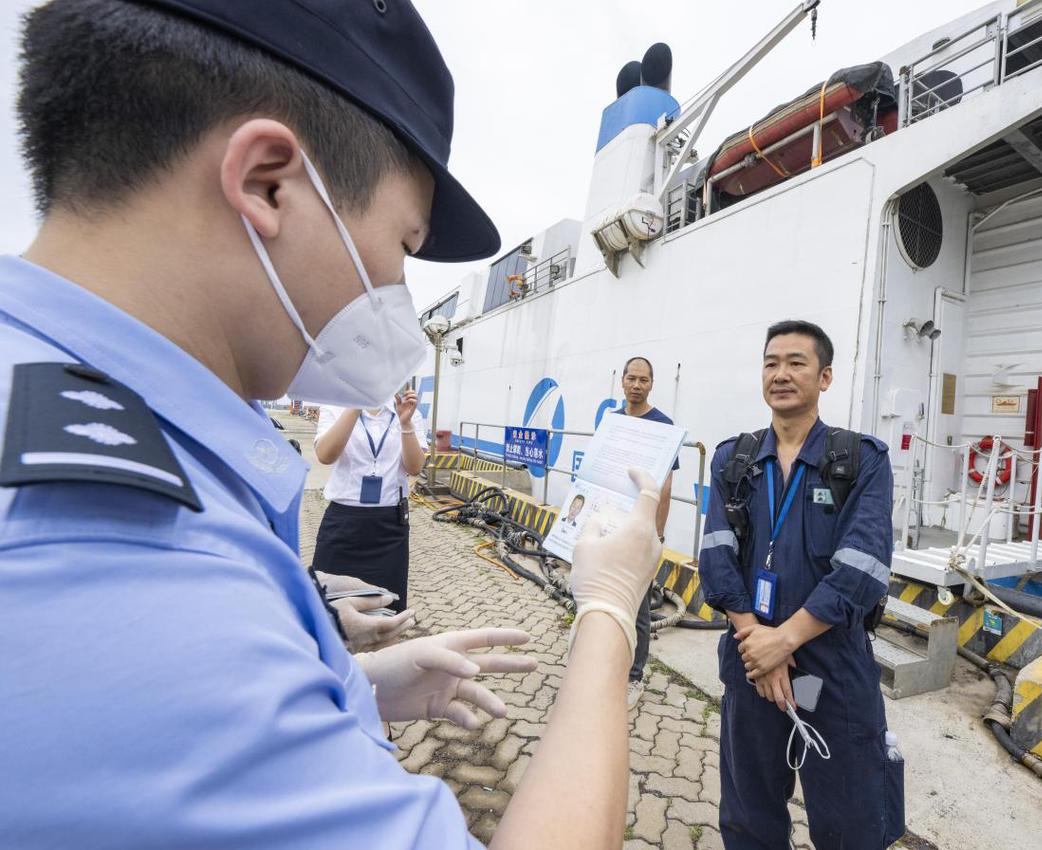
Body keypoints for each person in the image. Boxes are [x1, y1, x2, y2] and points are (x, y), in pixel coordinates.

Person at [0, 2, 663, 848]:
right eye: (400, 242)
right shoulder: (106, 554)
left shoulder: (70, 405)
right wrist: (608, 608)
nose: (394, 294)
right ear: (266, 183)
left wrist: (345, 683)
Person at [698, 321, 903, 850]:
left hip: (832, 667)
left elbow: (863, 569)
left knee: (852, 823)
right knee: (748, 819)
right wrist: (758, 645)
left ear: (825, 377)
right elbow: (717, 557)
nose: (781, 374)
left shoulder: (861, 461)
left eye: (796, 363)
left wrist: (782, 641)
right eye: (771, 363)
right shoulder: (733, 461)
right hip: (750, 664)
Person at [312, 388, 427, 611]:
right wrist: (356, 403)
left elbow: (414, 467)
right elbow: (325, 455)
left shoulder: (408, 412)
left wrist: (405, 424)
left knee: (387, 609)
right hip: (342, 524)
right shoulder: (334, 408)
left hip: (389, 527)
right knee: (329, 608)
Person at [614, 355, 678, 707]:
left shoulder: (663, 425)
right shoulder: (612, 422)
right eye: (631, 378)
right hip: (613, 527)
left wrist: (657, 534)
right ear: (622, 380)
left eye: (644, 380)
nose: (637, 385)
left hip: (641, 532)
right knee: (609, 600)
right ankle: (609, 665)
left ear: (652, 384)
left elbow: (665, 487)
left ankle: (634, 677)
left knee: (638, 607)